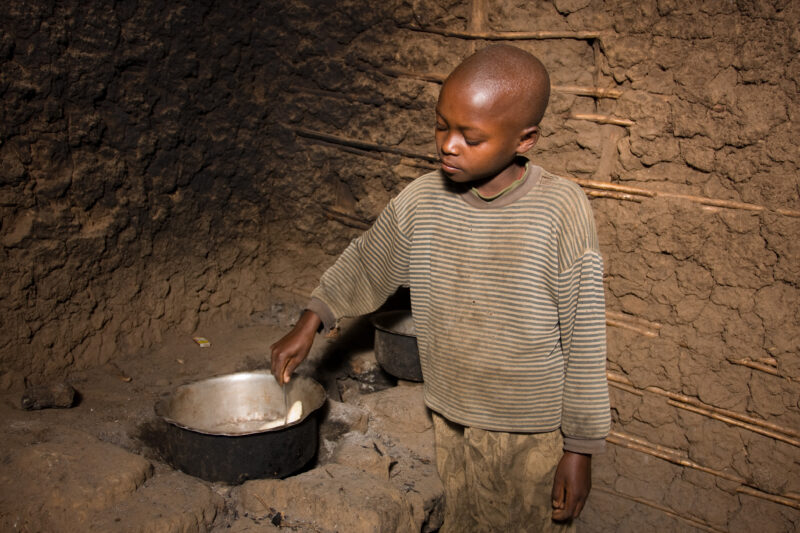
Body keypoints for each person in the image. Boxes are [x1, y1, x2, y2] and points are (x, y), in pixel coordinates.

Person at [271, 44, 610, 532]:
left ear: (525, 138)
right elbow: (369, 258)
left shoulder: (560, 210)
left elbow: (584, 335)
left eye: (471, 137)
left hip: (528, 431)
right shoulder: (423, 199)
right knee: (464, 519)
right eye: (441, 125)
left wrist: (580, 448)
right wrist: (311, 321)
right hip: (452, 413)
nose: (448, 145)